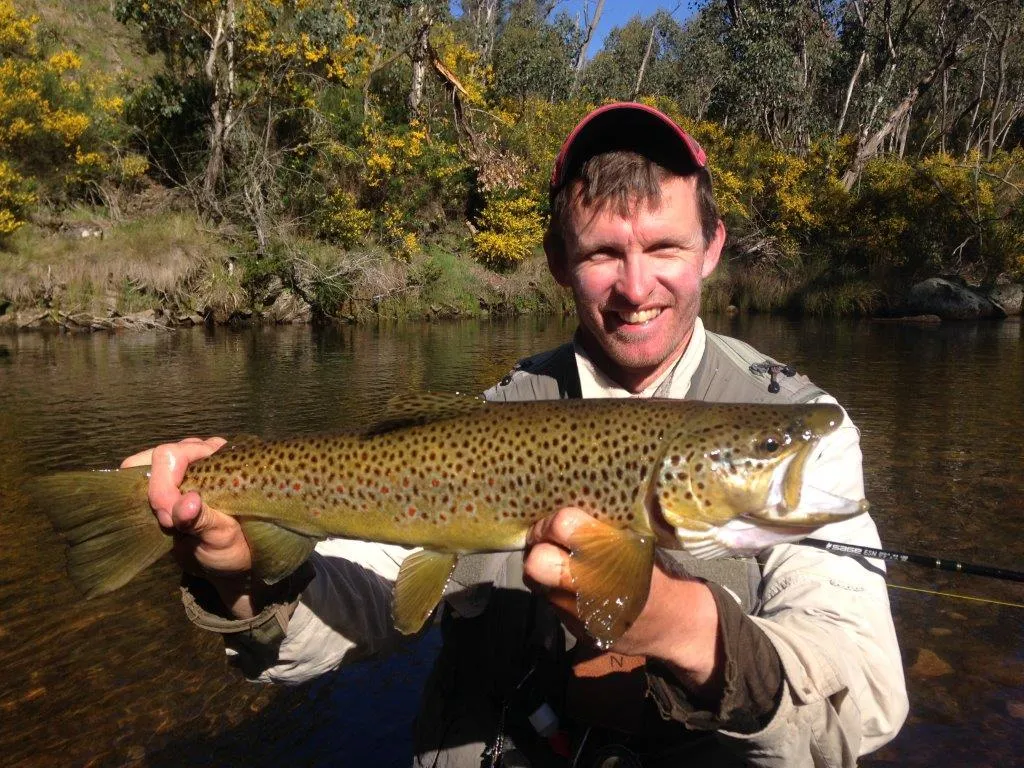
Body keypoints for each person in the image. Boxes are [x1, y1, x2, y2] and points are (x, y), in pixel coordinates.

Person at [124, 103, 908, 767]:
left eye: (664, 247)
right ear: (558, 263)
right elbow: (352, 608)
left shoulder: (807, 430)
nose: (636, 288)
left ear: (712, 247)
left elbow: (864, 695)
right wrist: (244, 578)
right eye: (603, 253)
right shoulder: (499, 411)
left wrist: (687, 630)